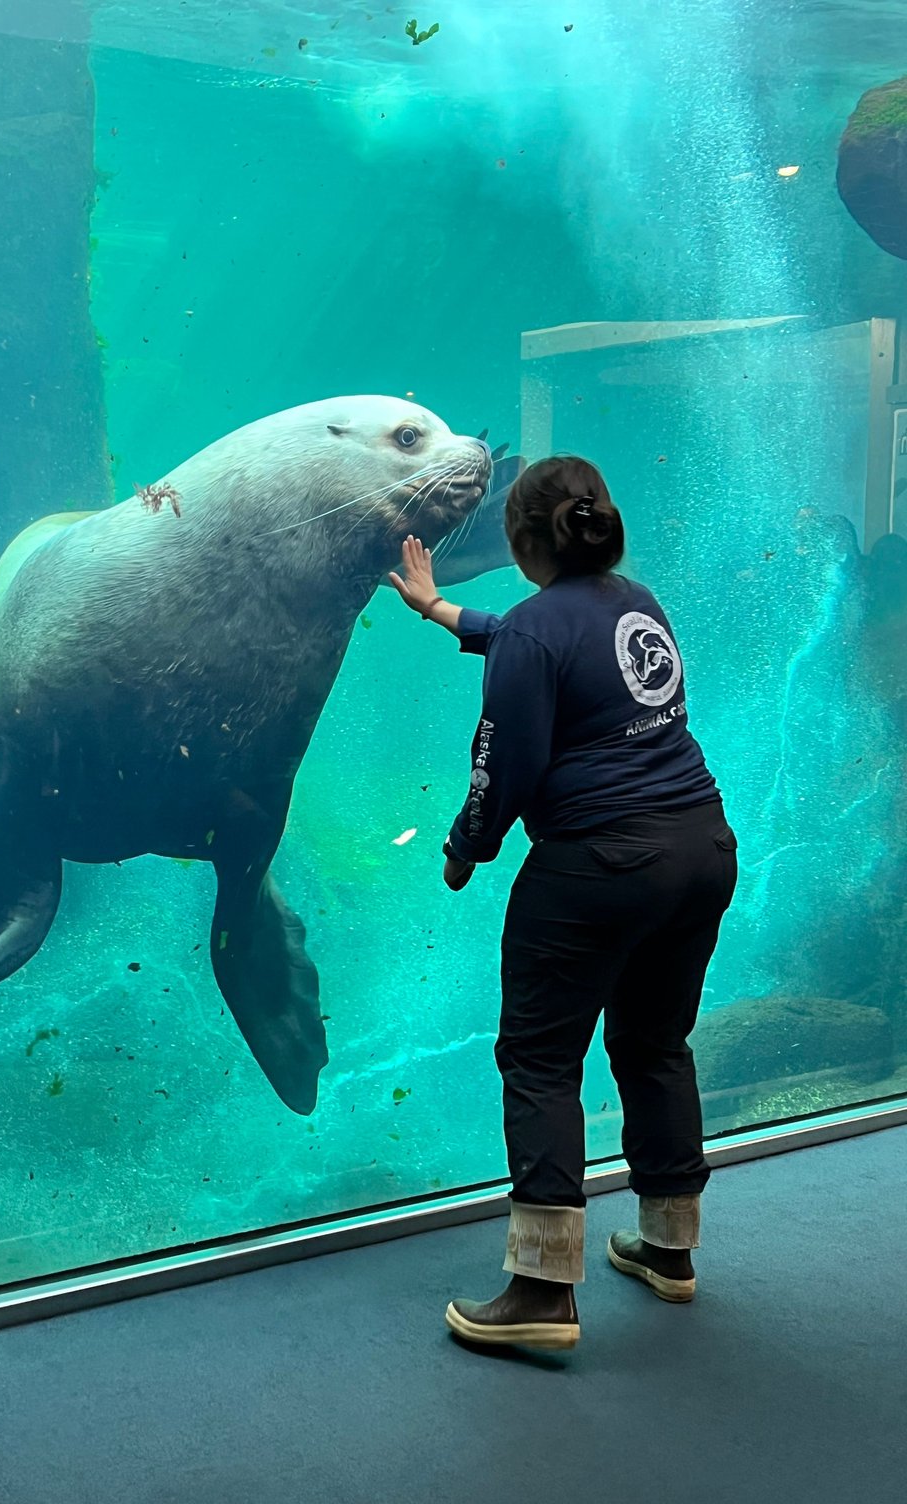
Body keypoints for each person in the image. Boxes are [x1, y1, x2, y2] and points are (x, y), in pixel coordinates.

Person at [388, 454, 738, 1352]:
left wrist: (467, 847)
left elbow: (502, 762)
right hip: (700, 847)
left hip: (598, 866)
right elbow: (532, 638)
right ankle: (670, 1250)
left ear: (519, 540)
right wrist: (438, 611)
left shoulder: (536, 632)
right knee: (655, 1042)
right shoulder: (637, 602)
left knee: (541, 1060)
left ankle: (542, 1291)